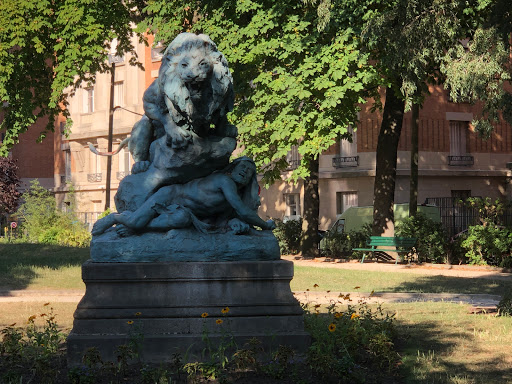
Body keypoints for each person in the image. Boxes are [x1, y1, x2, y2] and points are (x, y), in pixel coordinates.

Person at [92, 157, 275, 236]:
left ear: (251, 178)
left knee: (182, 219)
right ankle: (116, 218)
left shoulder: (232, 195)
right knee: (134, 222)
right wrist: (265, 225)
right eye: (242, 167)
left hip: (185, 211)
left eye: (249, 171)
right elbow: (242, 210)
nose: (244, 172)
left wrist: (234, 224)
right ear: (233, 169)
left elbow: (224, 219)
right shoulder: (224, 181)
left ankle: (139, 228)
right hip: (170, 195)